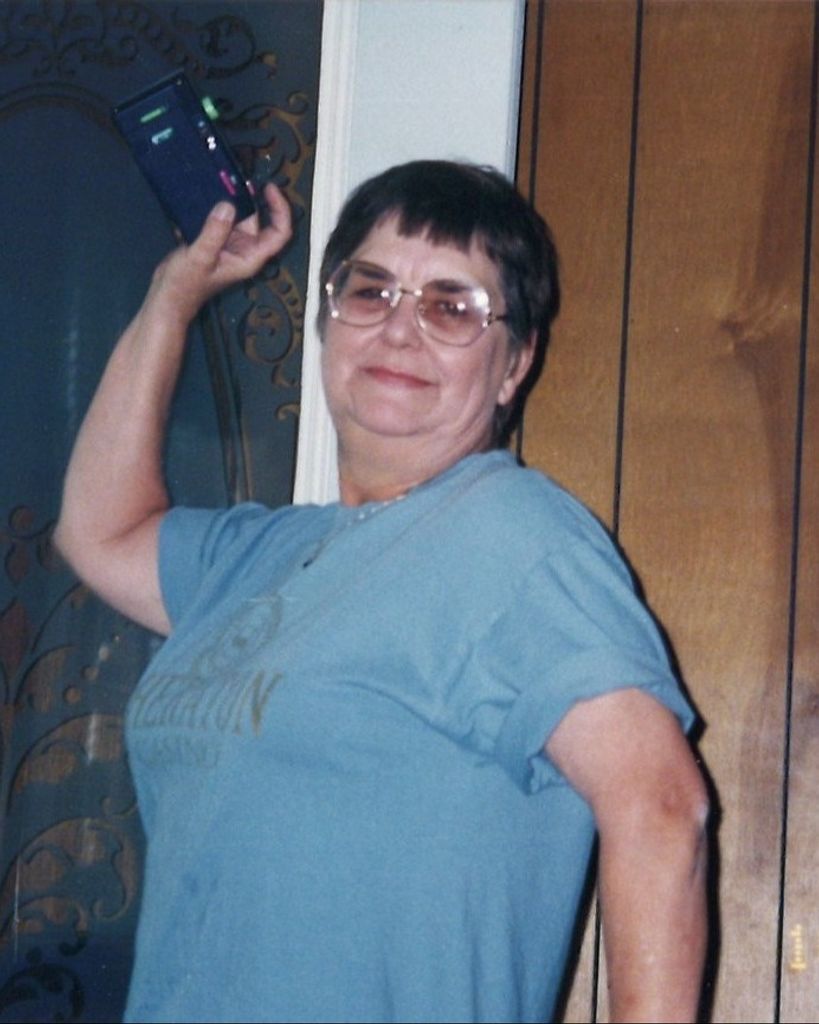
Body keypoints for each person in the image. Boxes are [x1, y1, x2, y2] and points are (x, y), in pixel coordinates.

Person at [55, 161, 709, 1024]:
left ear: (513, 365)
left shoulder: (512, 534)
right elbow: (97, 531)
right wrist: (173, 297)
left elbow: (661, 807)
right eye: (370, 292)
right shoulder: (260, 556)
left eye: (451, 307)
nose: (400, 330)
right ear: (328, 323)